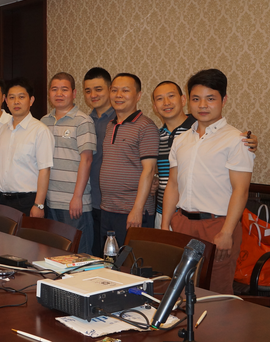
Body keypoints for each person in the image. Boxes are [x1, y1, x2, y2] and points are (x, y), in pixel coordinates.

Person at [161, 69, 254, 294]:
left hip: (217, 226)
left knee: (215, 294)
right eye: (196, 99)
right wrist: (165, 225)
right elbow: (173, 184)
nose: (202, 105)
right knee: (179, 291)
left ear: (224, 100)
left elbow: (240, 191)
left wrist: (227, 232)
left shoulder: (237, 140)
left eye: (210, 99)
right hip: (182, 223)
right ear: (188, 101)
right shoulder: (181, 139)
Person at [152, 81, 258, 228]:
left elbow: (239, 187)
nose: (166, 103)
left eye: (171, 96)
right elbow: (168, 176)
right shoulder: (156, 135)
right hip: (171, 213)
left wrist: (248, 141)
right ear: (154, 106)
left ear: (183, 100)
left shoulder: (207, 127)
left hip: (213, 219)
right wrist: (154, 179)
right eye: (160, 99)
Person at [99, 73, 159, 247]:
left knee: (131, 261)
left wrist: (137, 209)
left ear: (138, 95)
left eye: (125, 90)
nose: (118, 95)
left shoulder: (146, 126)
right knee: (108, 259)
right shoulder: (110, 125)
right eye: (114, 90)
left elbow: (149, 170)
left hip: (132, 212)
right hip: (107, 209)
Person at [41, 72, 96, 254]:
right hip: (50, 201)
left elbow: (87, 159)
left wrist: (77, 197)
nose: (59, 94)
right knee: (55, 255)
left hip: (74, 203)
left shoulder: (83, 121)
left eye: (64, 89)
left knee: (79, 256)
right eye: (54, 89)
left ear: (73, 93)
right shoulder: (43, 122)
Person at [0, 78, 53, 217]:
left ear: (31, 100)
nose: (16, 102)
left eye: (21, 97)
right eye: (12, 97)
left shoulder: (40, 131)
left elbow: (45, 170)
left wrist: (39, 204)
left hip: (28, 202)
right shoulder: (2, 130)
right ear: (6, 101)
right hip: (3, 201)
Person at [83, 67, 115, 256]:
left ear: (110, 89)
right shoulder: (86, 121)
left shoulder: (119, 119)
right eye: (88, 91)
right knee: (94, 255)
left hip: (115, 203)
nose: (93, 95)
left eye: (98, 89)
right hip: (91, 200)